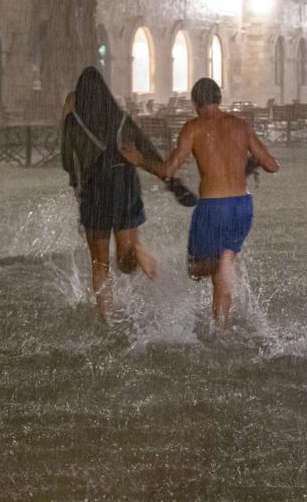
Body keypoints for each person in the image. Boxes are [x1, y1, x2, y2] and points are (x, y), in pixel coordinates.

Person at [121, 77, 279, 328]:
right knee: (222, 264)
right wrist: (247, 162)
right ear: (219, 99)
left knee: (198, 271)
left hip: (213, 209)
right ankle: (221, 324)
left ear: (196, 103)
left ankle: (220, 302)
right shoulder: (241, 125)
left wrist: (139, 160)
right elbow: (272, 165)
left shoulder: (193, 128)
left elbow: (168, 170)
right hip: (242, 207)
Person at [61, 82, 157, 325]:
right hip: (124, 187)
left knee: (99, 264)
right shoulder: (118, 118)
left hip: (95, 193)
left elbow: (70, 161)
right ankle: (136, 249)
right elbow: (139, 151)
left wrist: (78, 191)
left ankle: (107, 318)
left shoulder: (73, 118)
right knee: (125, 263)